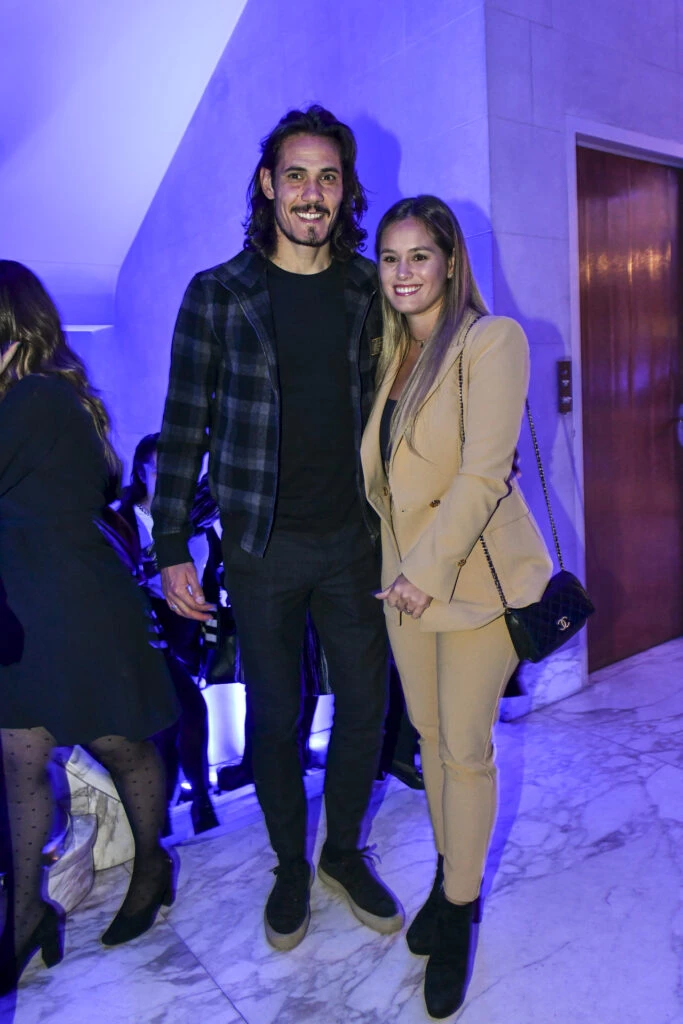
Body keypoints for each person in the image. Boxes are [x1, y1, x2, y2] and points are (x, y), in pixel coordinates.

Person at [153, 105, 402, 951]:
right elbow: (182, 427)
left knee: (365, 703)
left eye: (328, 177)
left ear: (345, 190)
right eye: (295, 175)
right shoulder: (217, 294)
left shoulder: (368, 289)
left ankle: (342, 853)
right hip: (261, 544)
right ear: (267, 185)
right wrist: (170, 547)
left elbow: (411, 394)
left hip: (355, 538)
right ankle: (289, 865)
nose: (311, 193)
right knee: (272, 716)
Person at [361, 197, 552, 1018]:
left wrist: (423, 571)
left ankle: (461, 910)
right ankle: (449, 876)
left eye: (418, 256)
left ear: (449, 262)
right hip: (402, 586)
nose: (403, 273)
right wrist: (397, 573)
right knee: (431, 741)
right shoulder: (392, 353)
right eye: (389, 258)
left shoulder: (489, 340)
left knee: (465, 751)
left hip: (470, 583)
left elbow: (482, 474)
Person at [0, 261, 180, 996]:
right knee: (19, 755)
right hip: (29, 605)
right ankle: (24, 916)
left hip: (72, 604)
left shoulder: (36, 397)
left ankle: (152, 864)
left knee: (117, 741)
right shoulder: (34, 396)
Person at [118, 434, 219, 835]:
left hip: (185, 630)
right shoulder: (123, 520)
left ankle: (164, 814)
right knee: (185, 711)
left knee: (173, 720)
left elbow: (209, 575)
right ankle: (197, 803)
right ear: (141, 473)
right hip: (144, 634)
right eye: (161, 471)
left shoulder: (197, 516)